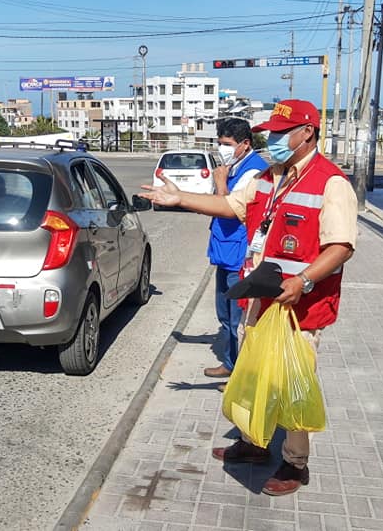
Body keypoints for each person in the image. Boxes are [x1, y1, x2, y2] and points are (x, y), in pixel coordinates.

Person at [140, 100, 357, 497]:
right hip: (261, 301)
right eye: (269, 132)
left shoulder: (331, 183)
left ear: (306, 132)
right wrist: (181, 200)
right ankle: (254, 443)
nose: (270, 139)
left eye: (278, 132)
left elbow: (340, 247)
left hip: (300, 308)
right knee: (256, 375)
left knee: (293, 383)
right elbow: (230, 206)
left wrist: (304, 281)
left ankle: (295, 463)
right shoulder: (270, 177)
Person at [203, 118, 269, 390]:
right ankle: (230, 363)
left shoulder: (254, 171)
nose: (222, 149)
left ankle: (240, 378)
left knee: (238, 318)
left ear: (245, 144)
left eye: (227, 144)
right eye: (219, 143)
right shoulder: (233, 166)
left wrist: (220, 182)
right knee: (224, 313)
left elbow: (230, 206)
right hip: (224, 250)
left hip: (240, 254)